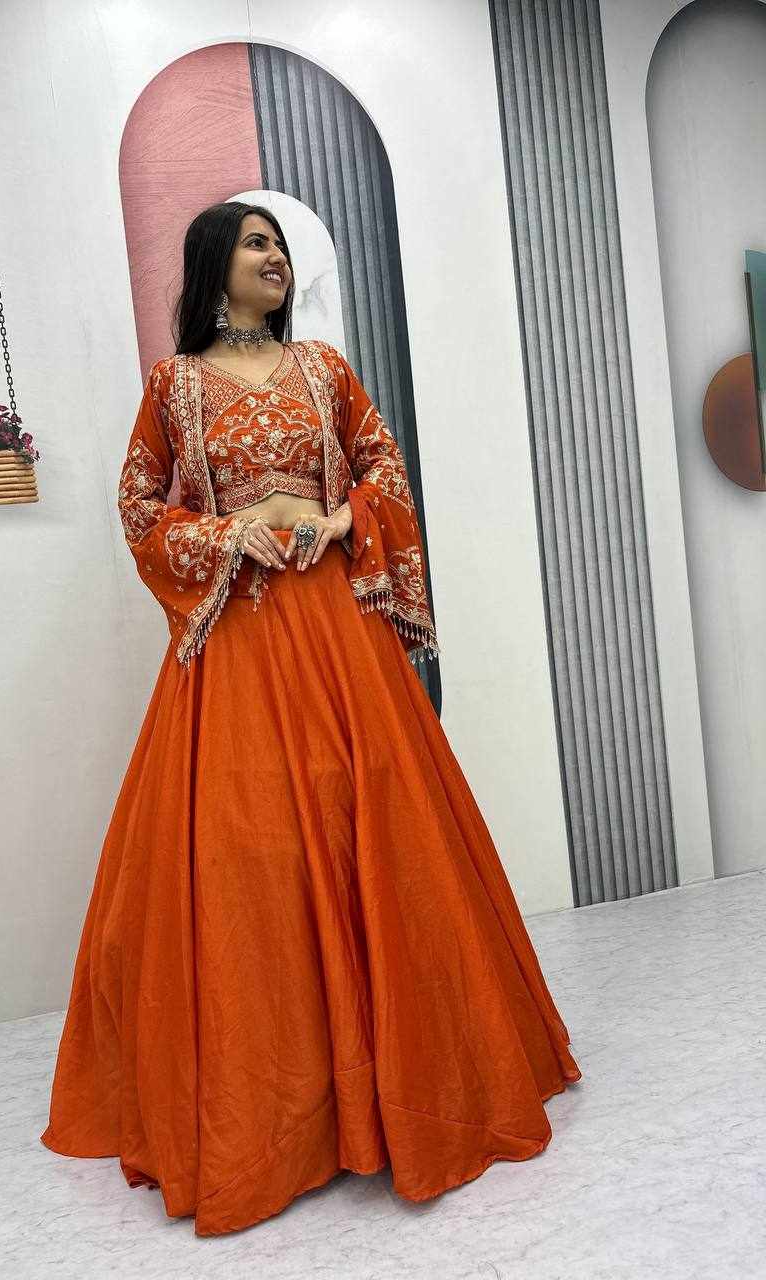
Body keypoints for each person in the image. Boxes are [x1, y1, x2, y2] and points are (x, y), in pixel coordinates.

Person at [40, 202, 582, 1238]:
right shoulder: (175, 386)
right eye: (256, 244)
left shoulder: (325, 369)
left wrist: (341, 518)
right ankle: (289, 1118)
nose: (275, 258)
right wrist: (228, 534)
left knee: (373, 832)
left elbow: (384, 466)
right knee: (256, 858)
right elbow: (140, 506)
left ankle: (409, 1091)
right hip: (242, 641)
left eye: (281, 246)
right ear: (215, 265)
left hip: (338, 630)